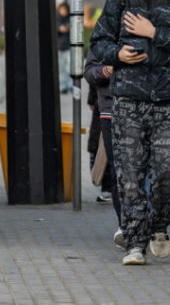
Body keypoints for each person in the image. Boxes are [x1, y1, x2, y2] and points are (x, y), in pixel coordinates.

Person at [90, 0, 170, 265]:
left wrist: (154, 33)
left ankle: (158, 225)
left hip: (166, 102)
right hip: (128, 101)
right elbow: (99, 41)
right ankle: (135, 242)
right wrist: (117, 54)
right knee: (130, 177)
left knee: (166, 172)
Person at [84, 46, 121, 245]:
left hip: (151, 107)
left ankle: (151, 224)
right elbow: (91, 70)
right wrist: (105, 71)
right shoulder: (107, 28)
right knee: (118, 169)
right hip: (109, 107)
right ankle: (127, 225)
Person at [57, 1, 72, 93]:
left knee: (69, 67)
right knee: (61, 68)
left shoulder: (69, 18)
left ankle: (70, 85)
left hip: (68, 47)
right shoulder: (56, 18)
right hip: (59, 47)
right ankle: (62, 86)